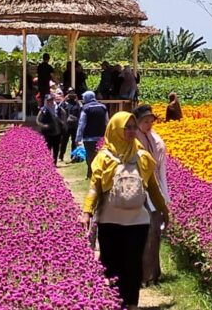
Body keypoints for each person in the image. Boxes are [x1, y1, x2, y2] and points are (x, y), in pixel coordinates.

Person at [79, 112, 170, 310]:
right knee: (112, 263)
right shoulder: (104, 157)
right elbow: (95, 186)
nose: (130, 131)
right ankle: (115, 301)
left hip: (138, 221)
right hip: (109, 220)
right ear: (114, 129)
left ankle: (131, 303)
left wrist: (163, 210)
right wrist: (87, 211)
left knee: (133, 263)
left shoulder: (141, 156)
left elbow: (153, 187)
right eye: (126, 127)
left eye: (132, 127)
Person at [133, 104, 170, 285]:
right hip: (137, 191)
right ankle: (141, 274)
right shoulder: (131, 139)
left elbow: (161, 169)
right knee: (142, 233)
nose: (149, 125)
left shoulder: (156, 139)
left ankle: (153, 273)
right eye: (145, 121)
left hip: (154, 189)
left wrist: (164, 196)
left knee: (154, 231)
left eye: (151, 121)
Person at [76, 91, 108, 179]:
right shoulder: (103, 107)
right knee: (100, 155)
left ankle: (90, 174)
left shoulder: (85, 108)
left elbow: (82, 123)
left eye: (84, 98)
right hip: (101, 137)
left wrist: (78, 137)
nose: (83, 100)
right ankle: (100, 173)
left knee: (90, 156)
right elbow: (107, 121)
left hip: (89, 137)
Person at [36, 94, 64, 165]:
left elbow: (64, 115)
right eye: (48, 100)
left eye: (51, 100)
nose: (50, 102)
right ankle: (48, 162)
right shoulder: (43, 110)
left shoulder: (58, 108)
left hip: (57, 131)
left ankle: (54, 162)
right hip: (47, 132)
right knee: (48, 147)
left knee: (56, 147)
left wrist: (62, 123)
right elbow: (38, 120)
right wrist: (43, 125)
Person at [58, 91, 82, 162]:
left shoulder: (77, 104)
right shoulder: (65, 103)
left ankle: (73, 156)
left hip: (74, 126)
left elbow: (81, 109)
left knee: (74, 142)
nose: (72, 97)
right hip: (66, 126)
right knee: (64, 142)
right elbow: (58, 108)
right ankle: (61, 156)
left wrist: (77, 100)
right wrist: (64, 99)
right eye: (70, 95)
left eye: (73, 95)